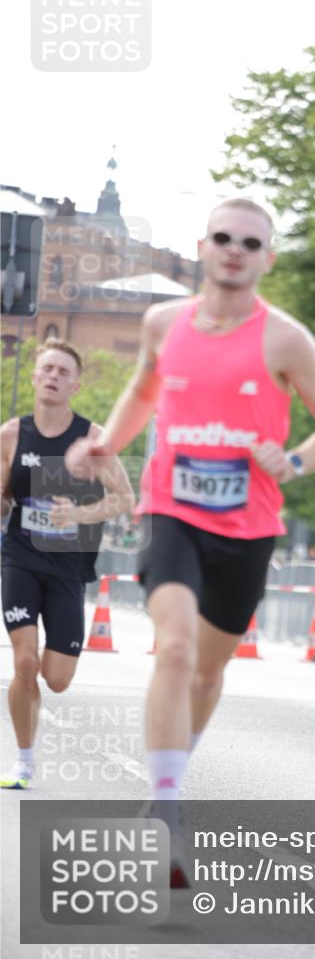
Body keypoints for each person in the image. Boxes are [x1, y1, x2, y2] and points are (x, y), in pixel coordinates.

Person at [66, 198, 315, 883]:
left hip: (247, 525)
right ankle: (167, 811)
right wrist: (108, 442)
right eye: (223, 237)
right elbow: (143, 392)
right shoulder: (162, 323)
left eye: (250, 243)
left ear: (267, 260)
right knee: (173, 648)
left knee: (207, 670)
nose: (234, 250)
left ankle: (168, 784)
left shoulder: (286, 339)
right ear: (202, 247)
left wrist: (295, 461)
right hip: (172, 509)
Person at [0, 338, 135, 789]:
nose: (53, 377)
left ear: (76, 385)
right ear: (34, 377)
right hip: (20, 556)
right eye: (47, 369)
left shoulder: (92, 439)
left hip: (68, 565)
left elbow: (124, 498)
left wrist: (77, 514)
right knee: (24, 661)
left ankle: (36, 696)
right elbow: (3, 499)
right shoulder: (11, 435)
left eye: (63, 372)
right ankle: (23, 761)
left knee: (56, 679)